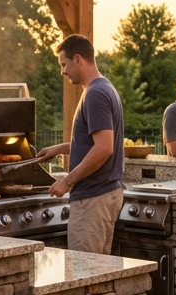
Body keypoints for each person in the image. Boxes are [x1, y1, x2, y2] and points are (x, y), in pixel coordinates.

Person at [35, 34, 124, 254]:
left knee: (85, 272)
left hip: (92, 199)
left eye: (64, 64)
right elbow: (93, 143)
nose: (62, 71)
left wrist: (68, 181)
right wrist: (60, 149)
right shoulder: (105, 88)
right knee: (100, 272)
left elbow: (104, 148)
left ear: (78, 59)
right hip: (104, 195)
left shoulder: (95, 94)